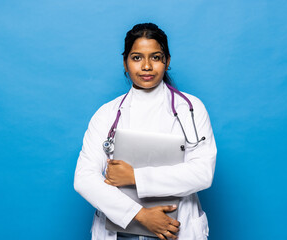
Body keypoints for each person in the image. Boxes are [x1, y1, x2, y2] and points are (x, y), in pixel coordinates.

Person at [74, 23, 217, 240]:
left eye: (156, 57)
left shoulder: (190, 109)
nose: (147, 66)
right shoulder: (106, 114)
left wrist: (135, 177)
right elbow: (84, 178)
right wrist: (140, 215)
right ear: (125, 62)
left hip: (176, 230)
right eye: (137, 57)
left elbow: (202, 173)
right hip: (120, 232)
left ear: (167, 61)